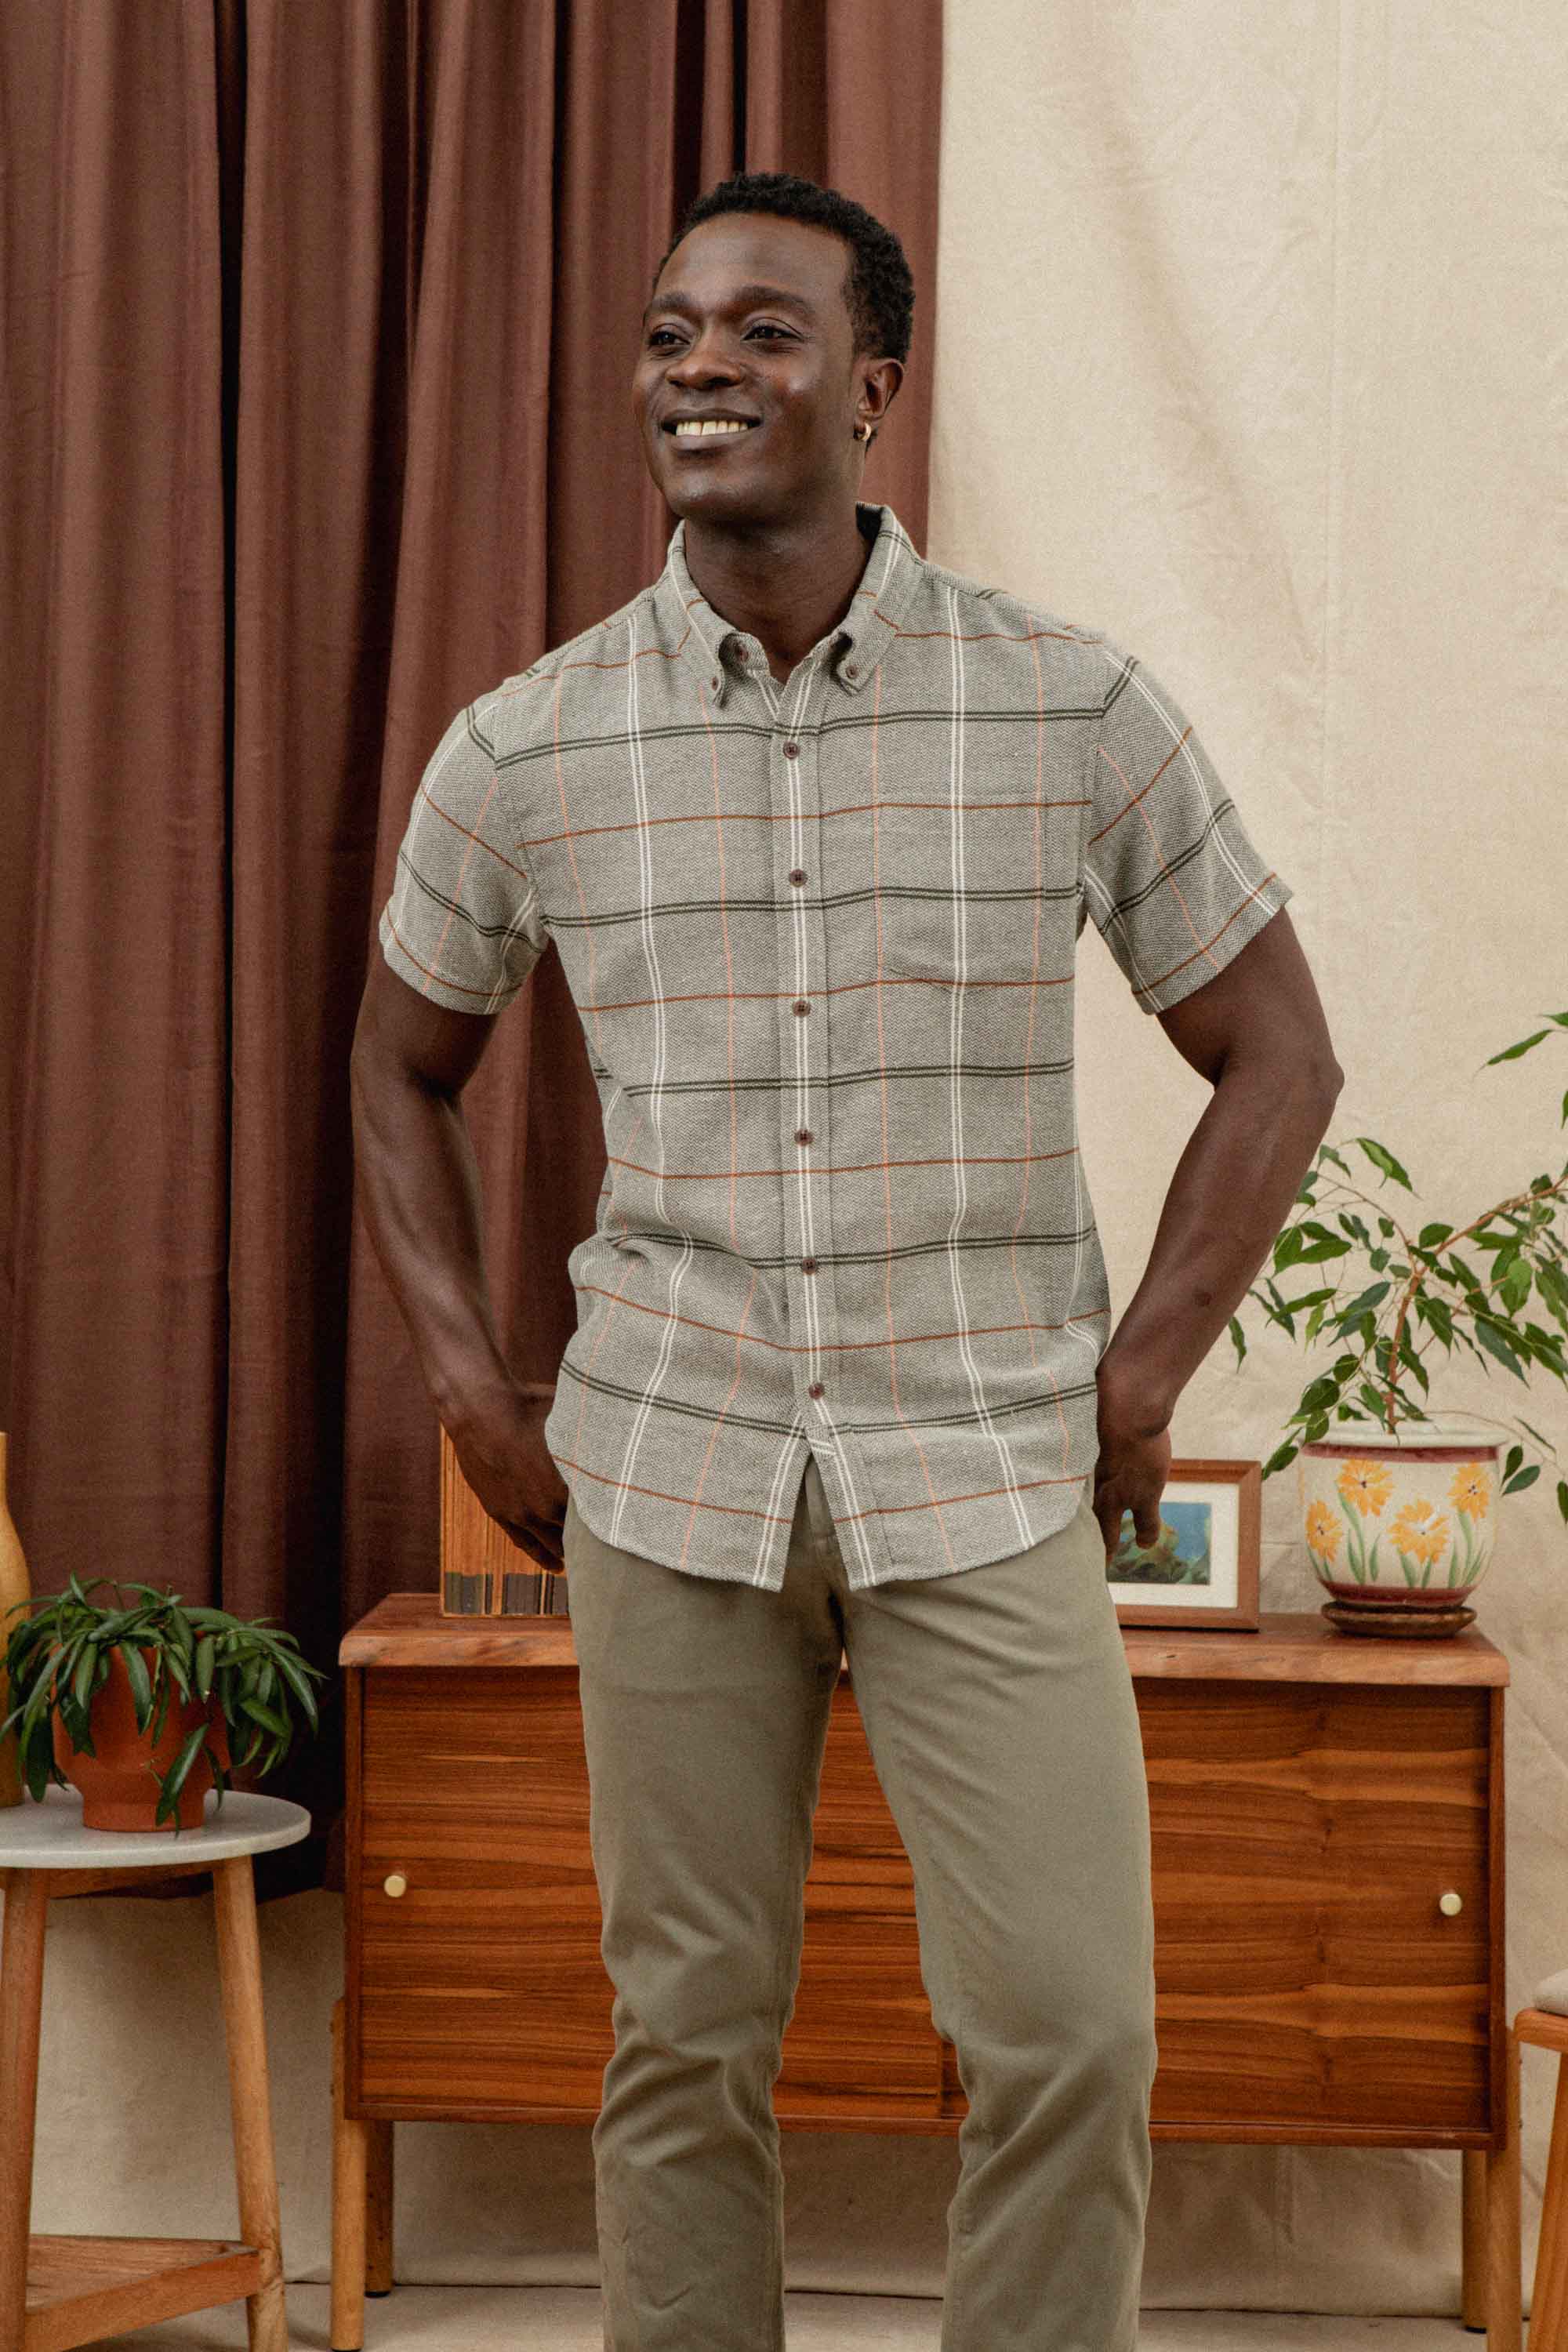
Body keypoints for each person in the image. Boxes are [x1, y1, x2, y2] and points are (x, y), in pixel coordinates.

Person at [351, 169, 1343, 2352]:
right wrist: (473, 1387)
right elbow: (396, 1067)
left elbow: (1274, 1054)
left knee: (1070, 2032)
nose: (702, 366)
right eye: (671, 332)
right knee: (685, 2042)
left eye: (767, 332)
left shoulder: (1071, 707)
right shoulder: (531, 744)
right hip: (673, 1468)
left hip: (986, 1464)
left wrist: (1137, 1384)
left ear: (876, 388)